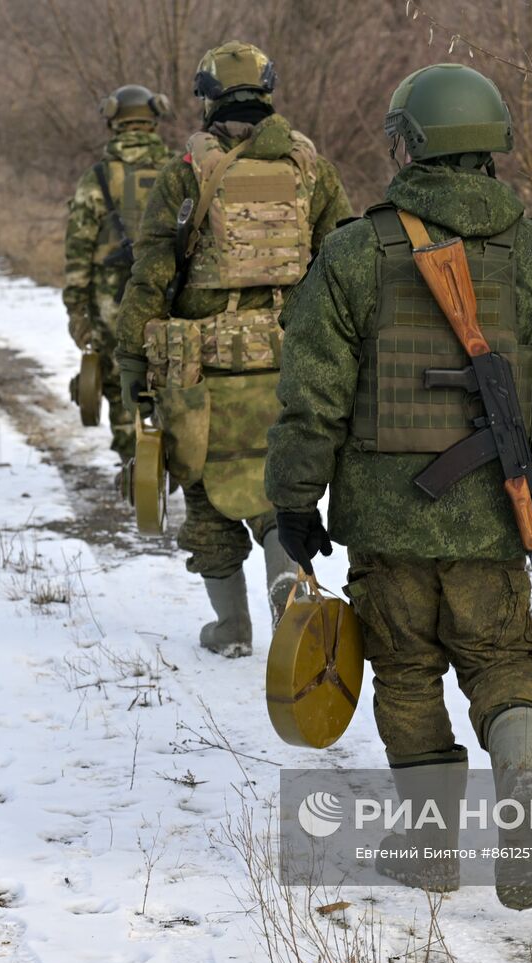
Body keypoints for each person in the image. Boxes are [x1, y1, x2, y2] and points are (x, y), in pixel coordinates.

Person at [264, 64, 532, 910]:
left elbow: (311, 394)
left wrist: (294, 499)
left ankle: (431, 848)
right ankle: (527, 788)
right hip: (498, 517)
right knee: (504, 663)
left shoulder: (354, 252)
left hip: (386, 528)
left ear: (414, 144)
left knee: (405, 672)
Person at [115, 41, 351, 657]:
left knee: (205, 495)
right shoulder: (311, 170)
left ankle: (231, 629)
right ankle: (285, 586)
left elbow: (149, 276)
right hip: (292, 363)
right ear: (267, 94)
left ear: (206, 99)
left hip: (204, 367)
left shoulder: (185, 174)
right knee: (281, 488)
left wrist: (131, 364)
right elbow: (345, 265)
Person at [63, 84, 173, 464]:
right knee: (173, 369)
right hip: (169, 291)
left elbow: (78, 249)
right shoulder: (179, 170)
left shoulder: (97, 178)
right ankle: (176, 449)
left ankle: (133, 457)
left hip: (111, 298)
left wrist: (76, 309)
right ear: (153, 121)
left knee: (118, 376)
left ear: (113, 123)